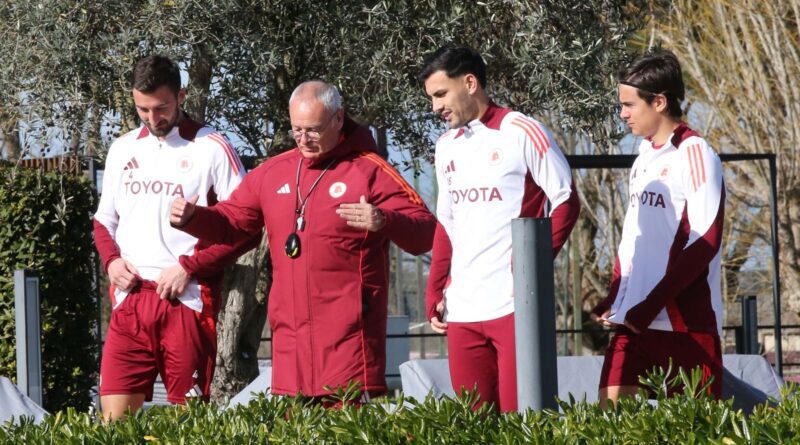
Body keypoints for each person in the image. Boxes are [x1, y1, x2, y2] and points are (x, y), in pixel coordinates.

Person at [170, 80, 436, 401]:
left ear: (338, 119)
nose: (303, 140)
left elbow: (426, 233)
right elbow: (233, 224)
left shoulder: (370, 171)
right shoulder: (274, 172)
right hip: (290, 351)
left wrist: (384, 220)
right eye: (296, 130)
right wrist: (193, 218)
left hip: (350, 348)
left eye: (313, 130)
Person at [93, 55, 258, 420]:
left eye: (161, 108)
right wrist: (111, 261)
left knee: (189, 426)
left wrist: (189, 267)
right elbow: (104, 221)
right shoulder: (123, 148)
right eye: (143, 110)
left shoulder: (212, 147)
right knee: (113, 425)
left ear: (181, 96)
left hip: (186, 301)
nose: (153, 119)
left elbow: (247, 228)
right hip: (129, 302)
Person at [420, 44, 580, 413]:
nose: (435, 107)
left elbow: (566, 202)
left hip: (513, 307)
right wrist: (434, 292)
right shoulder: (446, 146)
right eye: (431, 98)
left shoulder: (522, 130)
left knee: (521, 421)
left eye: (441, 94)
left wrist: (530, 271)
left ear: (471, 82)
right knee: (474, 424)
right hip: (462, 311)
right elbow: (447, 223)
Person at [591, 50, 725, 407]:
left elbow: (705, 240)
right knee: (609, 424)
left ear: (660, 102)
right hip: (632, 323)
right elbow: (631, 239)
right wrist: (615, 296)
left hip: (684, 329)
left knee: (693, 433)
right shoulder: (644, 154)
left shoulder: (695, 153)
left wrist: (650, 306)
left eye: (629, 104)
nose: (622, 113)